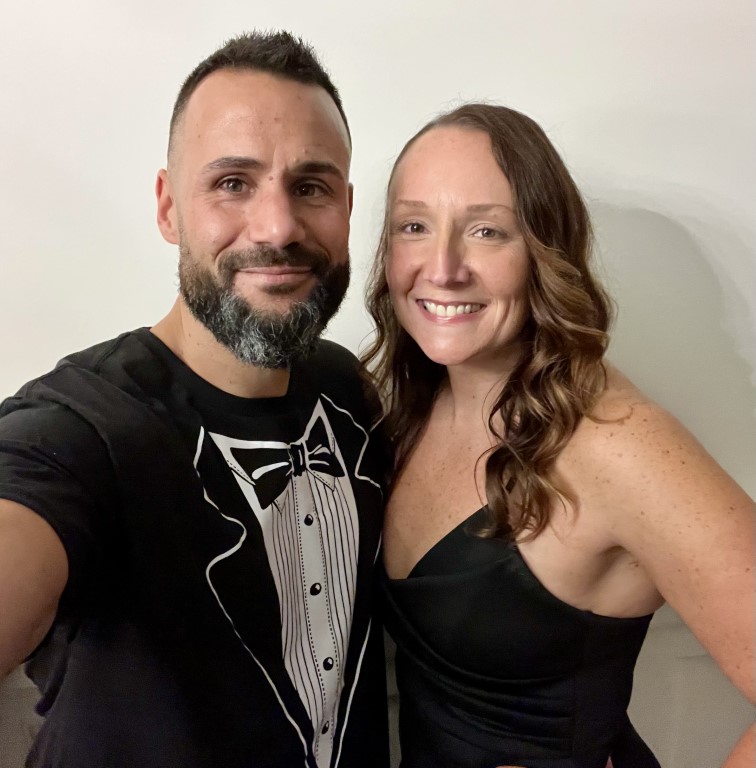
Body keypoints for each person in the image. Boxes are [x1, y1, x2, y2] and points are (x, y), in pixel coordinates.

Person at [0, 31, 389, 768]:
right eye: (233, 183)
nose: (278, 228)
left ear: (345, 208)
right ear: (169, 208)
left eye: (310, 186)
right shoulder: (78, 430)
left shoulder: (348, 390)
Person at [362, 103, 755, 768]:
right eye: (415, 226)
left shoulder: (619, 446)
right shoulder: (403, 408)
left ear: (546, 251)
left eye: (487, 231)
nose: (443, 266)